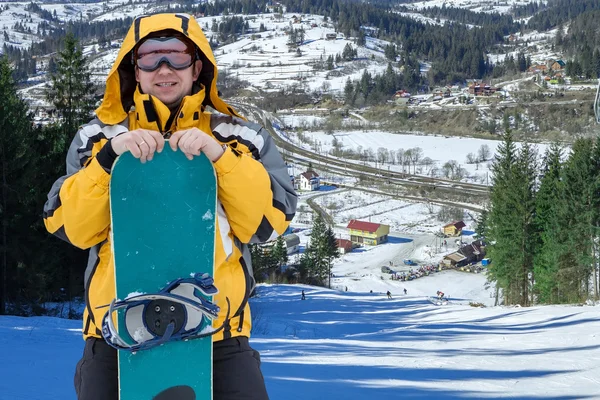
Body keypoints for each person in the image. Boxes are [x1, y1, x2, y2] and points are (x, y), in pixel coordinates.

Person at [43, 13, 297, 400]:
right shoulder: (97, 139)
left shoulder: (240, 137)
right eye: (150, 57)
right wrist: (109, 161)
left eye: (177, 56)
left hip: (219, 335)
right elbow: (73, 229)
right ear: (134, 68)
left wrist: (222, 159)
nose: (164, 68)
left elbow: (266, 224)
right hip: (115, 333)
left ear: (197, 67)